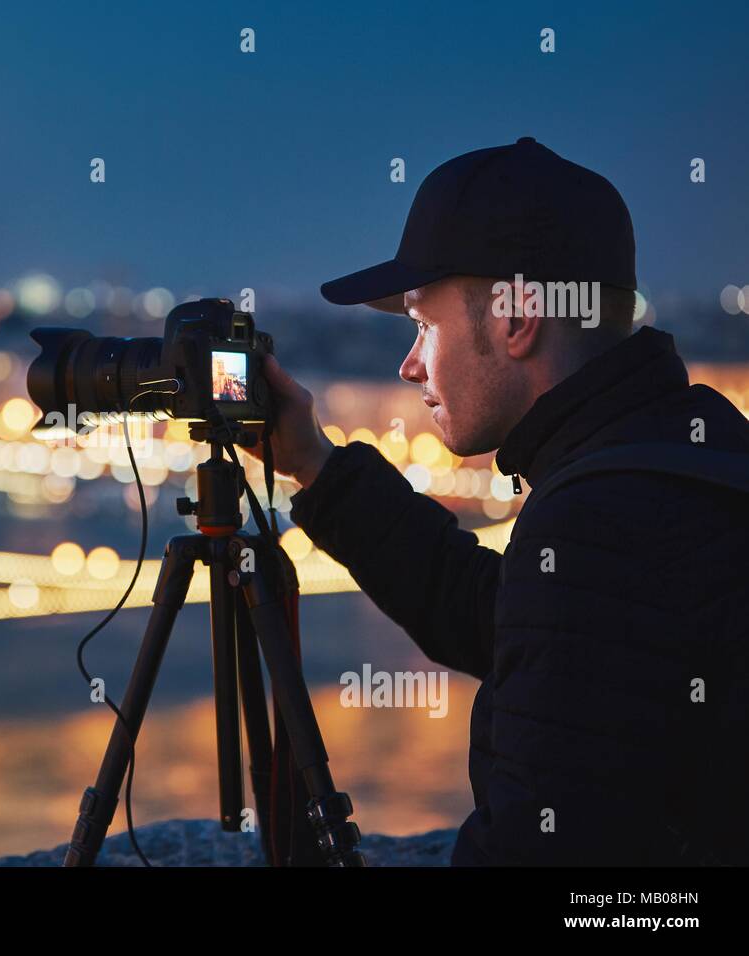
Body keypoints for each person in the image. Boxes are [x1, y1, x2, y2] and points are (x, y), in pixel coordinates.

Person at [255, 138, 749, 865]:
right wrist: (312, 463)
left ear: (518, 320)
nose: (410, 362)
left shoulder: (600, 522)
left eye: (424, 324)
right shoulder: (686, 452)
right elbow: (509, 621)